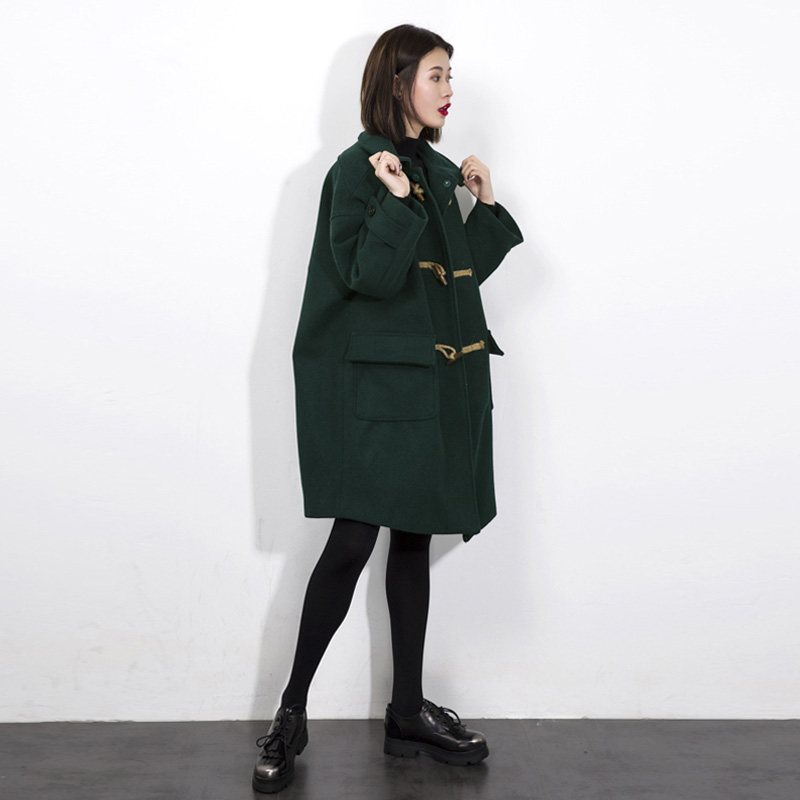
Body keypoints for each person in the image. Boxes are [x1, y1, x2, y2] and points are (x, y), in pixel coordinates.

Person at [252, 23, 523, 794]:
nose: (448, 90)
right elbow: (367, 279)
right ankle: (290, 711)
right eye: (436, 75)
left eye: (450, 76)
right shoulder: (358, 169)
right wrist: (397, 201)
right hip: (377, 393)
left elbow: (452, 277)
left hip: (426, 385)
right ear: (397, 81)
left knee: (413, 538)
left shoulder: (435, 169)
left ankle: (406, 709)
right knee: (350, 543)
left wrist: (482, 207)